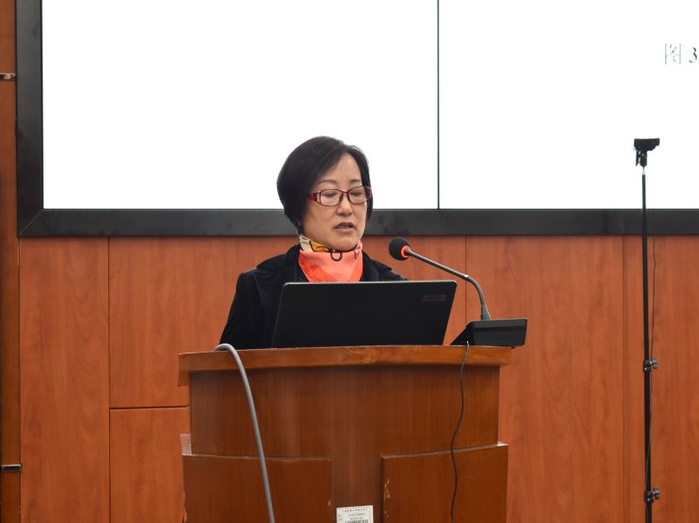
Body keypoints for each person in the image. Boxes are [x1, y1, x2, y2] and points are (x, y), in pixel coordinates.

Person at [220, 136, 404, 349]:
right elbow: (227, 368)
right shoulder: (259, 288)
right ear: (298, 209)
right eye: (329, 195)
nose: (346, 208)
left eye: (356, 193)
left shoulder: (398, 290)